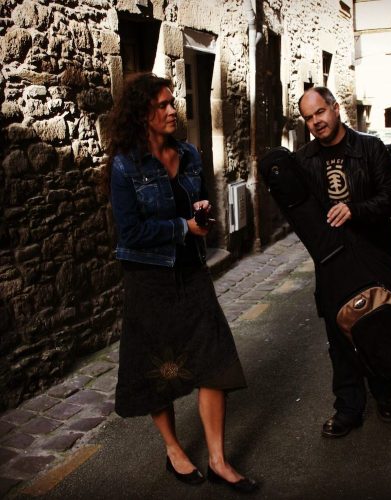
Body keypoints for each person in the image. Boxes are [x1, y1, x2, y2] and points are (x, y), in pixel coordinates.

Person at [104, 72, 257, 493]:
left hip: (191, 272)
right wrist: (183, 226)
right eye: (163, 105)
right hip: (148, 279)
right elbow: (130, 233)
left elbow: (193, 208)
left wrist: (200, 214)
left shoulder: (188, 154)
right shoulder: (124, 165)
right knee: (159, 366)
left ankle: (219, 460)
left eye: (173, 102)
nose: (173, 111)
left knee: (214, 357)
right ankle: (174, 449)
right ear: (142, 114)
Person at [296, 87, 391, 438]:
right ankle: (348, 408)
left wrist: (354, 211)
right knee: (339, 333)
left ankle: (384, 392)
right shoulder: (305, 160)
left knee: (378, 325)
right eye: (309, 118)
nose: (316, 122)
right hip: (332, 261)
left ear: (335, 109)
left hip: (375, 253)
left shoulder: (369, 148)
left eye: (320, 113)